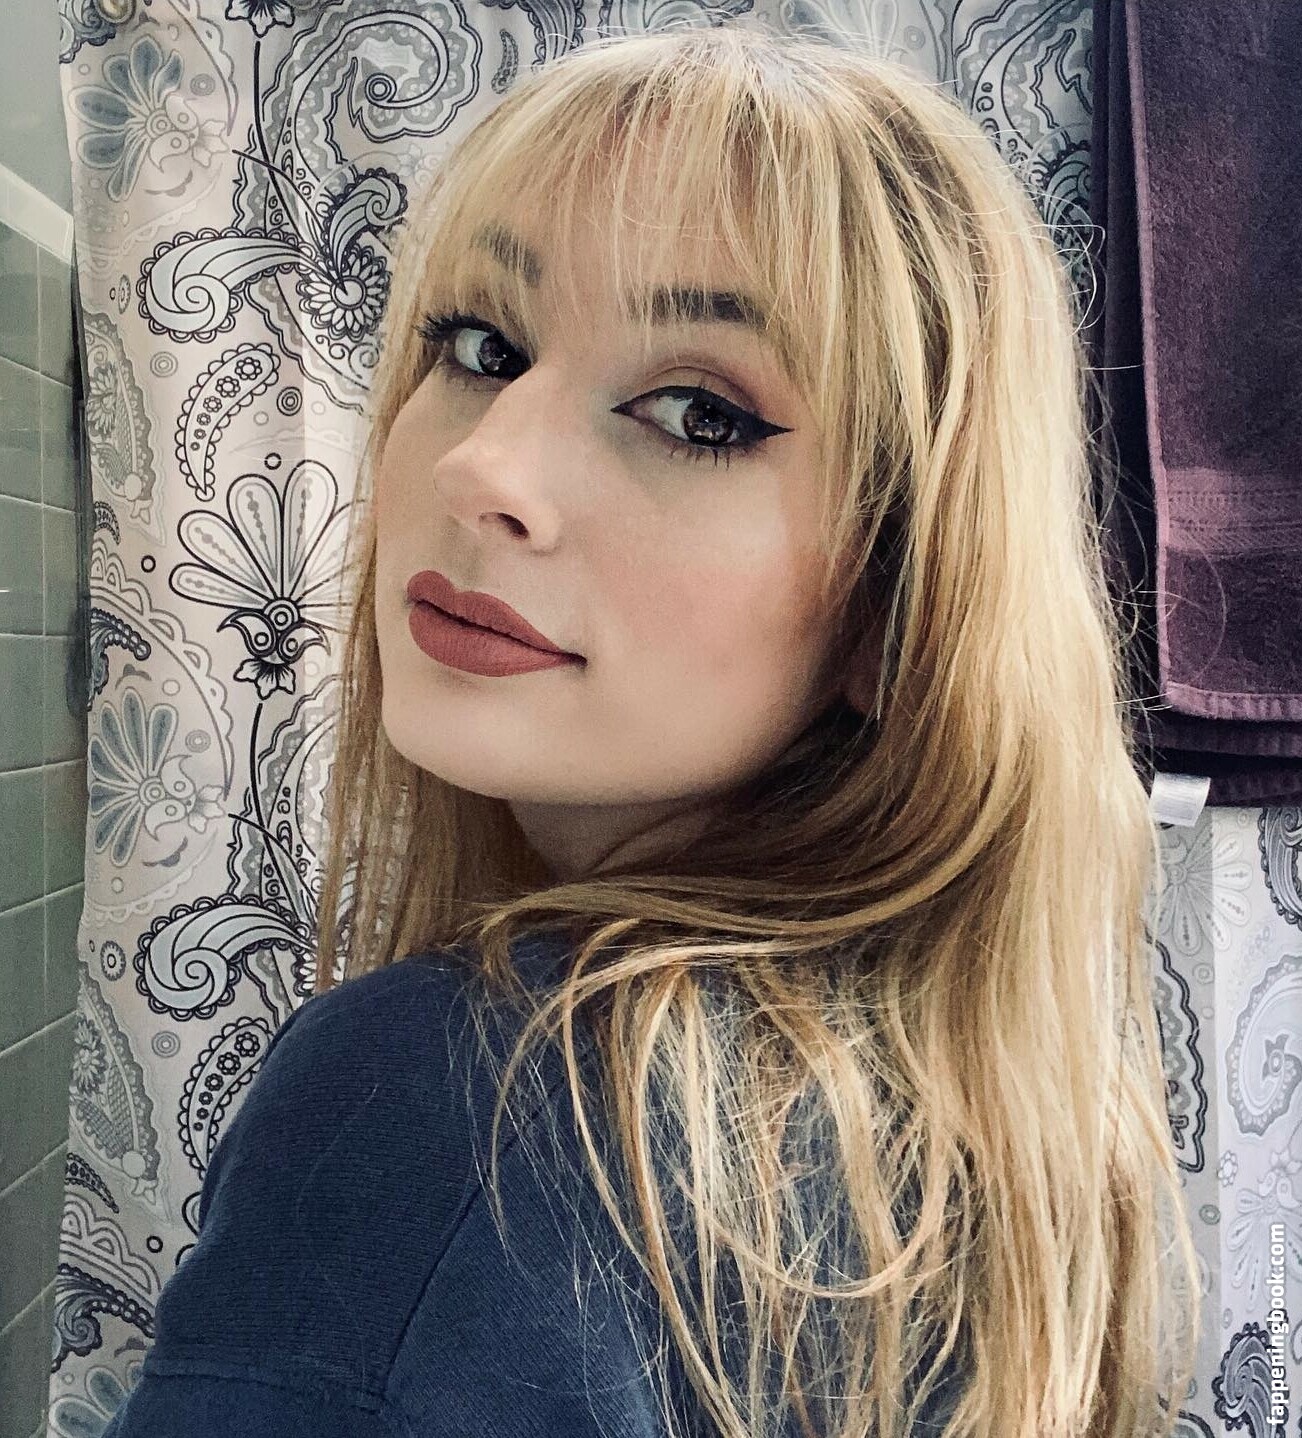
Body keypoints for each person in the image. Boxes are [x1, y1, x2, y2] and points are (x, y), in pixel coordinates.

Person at [100, 23, 1201, 1438]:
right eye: (483, 345)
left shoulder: (459, 1095)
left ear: (897, 602)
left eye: (695, 413)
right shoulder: (988, 1130)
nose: (483, 466)